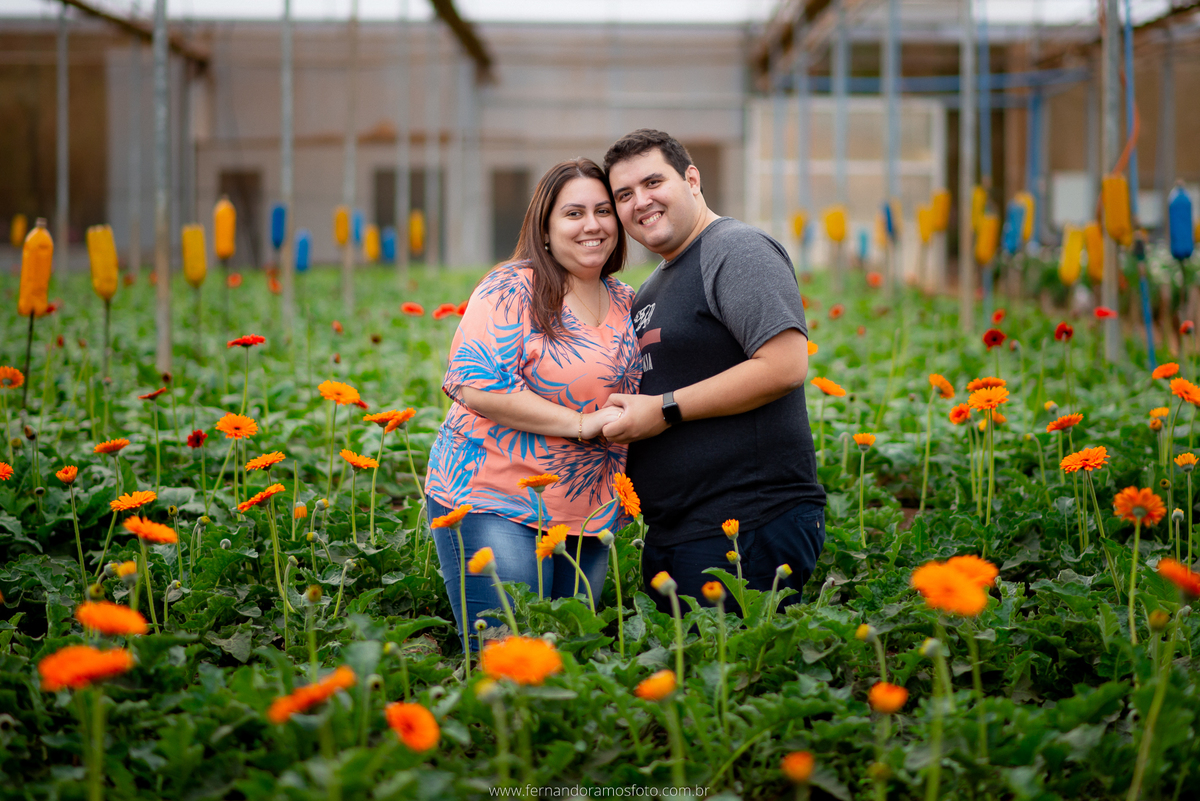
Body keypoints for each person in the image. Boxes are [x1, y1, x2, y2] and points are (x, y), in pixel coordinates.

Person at [600, 129, 826, 615]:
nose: (641, 201)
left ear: (692, 179)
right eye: (624, 194)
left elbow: (785, 365)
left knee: (731, 660)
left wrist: (664, 410)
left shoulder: (735, 249)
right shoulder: (654, 284)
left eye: (653, 182)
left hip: (745, 525)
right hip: (679, 530)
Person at [424, 158, 642, 650]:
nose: (592, 225)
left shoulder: (626, 300)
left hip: (588, 511)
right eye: (574, 213)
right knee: (508, 656)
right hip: (495, 499)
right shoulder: (513, 287)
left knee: (566, 656)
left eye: (603, 211)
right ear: (544, 228)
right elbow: (478, 386)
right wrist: (582, 423)